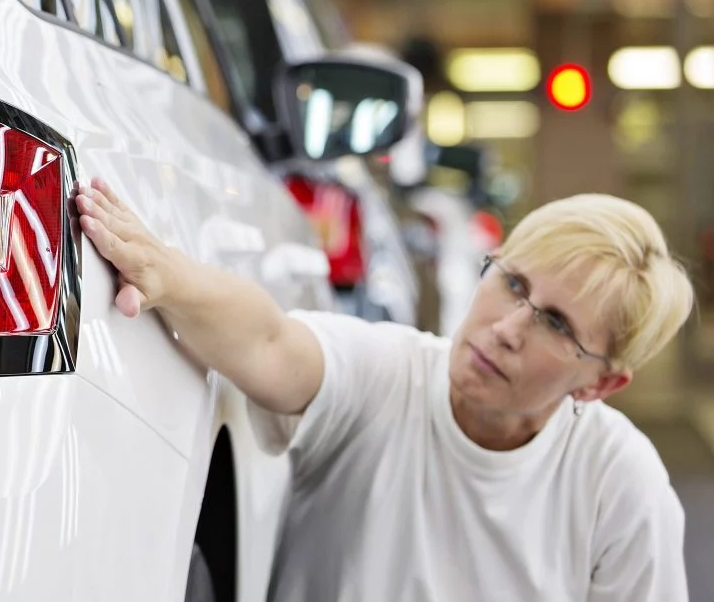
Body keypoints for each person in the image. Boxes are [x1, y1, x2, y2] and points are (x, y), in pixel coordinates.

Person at [74, 178, 693, 602]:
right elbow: (269, 343)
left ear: (601, 383)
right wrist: (167, 273)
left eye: (556, 325)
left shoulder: (620, 483)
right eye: (512, 283)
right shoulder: (389, 373)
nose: (508, 330)